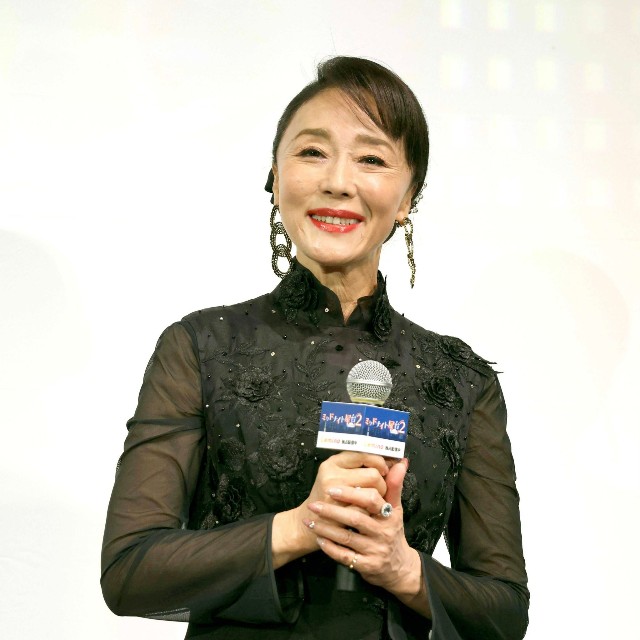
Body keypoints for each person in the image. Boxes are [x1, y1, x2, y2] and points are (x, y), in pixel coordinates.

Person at [101, 56, 529, 639]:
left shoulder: (460, 378)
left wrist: (402, 569)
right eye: (312, 152)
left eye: (371, 159)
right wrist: (302, 526)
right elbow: (130, 572)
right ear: (275, 179)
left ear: (407, 198)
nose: (338, 181)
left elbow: (504, 612)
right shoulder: (200, 347)